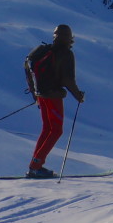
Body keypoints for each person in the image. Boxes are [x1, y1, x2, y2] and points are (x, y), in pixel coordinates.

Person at [24, 24, 86, 178]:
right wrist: (78, 95)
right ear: (69, 38)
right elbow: (67, 79)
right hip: (53, 97)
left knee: (47, 129)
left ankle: (35, 166)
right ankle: (36, 167)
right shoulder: (65, 54)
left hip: (42, 96)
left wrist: (34, 92)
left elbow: (27, 65)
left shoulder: (43, 51)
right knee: (56, 130)